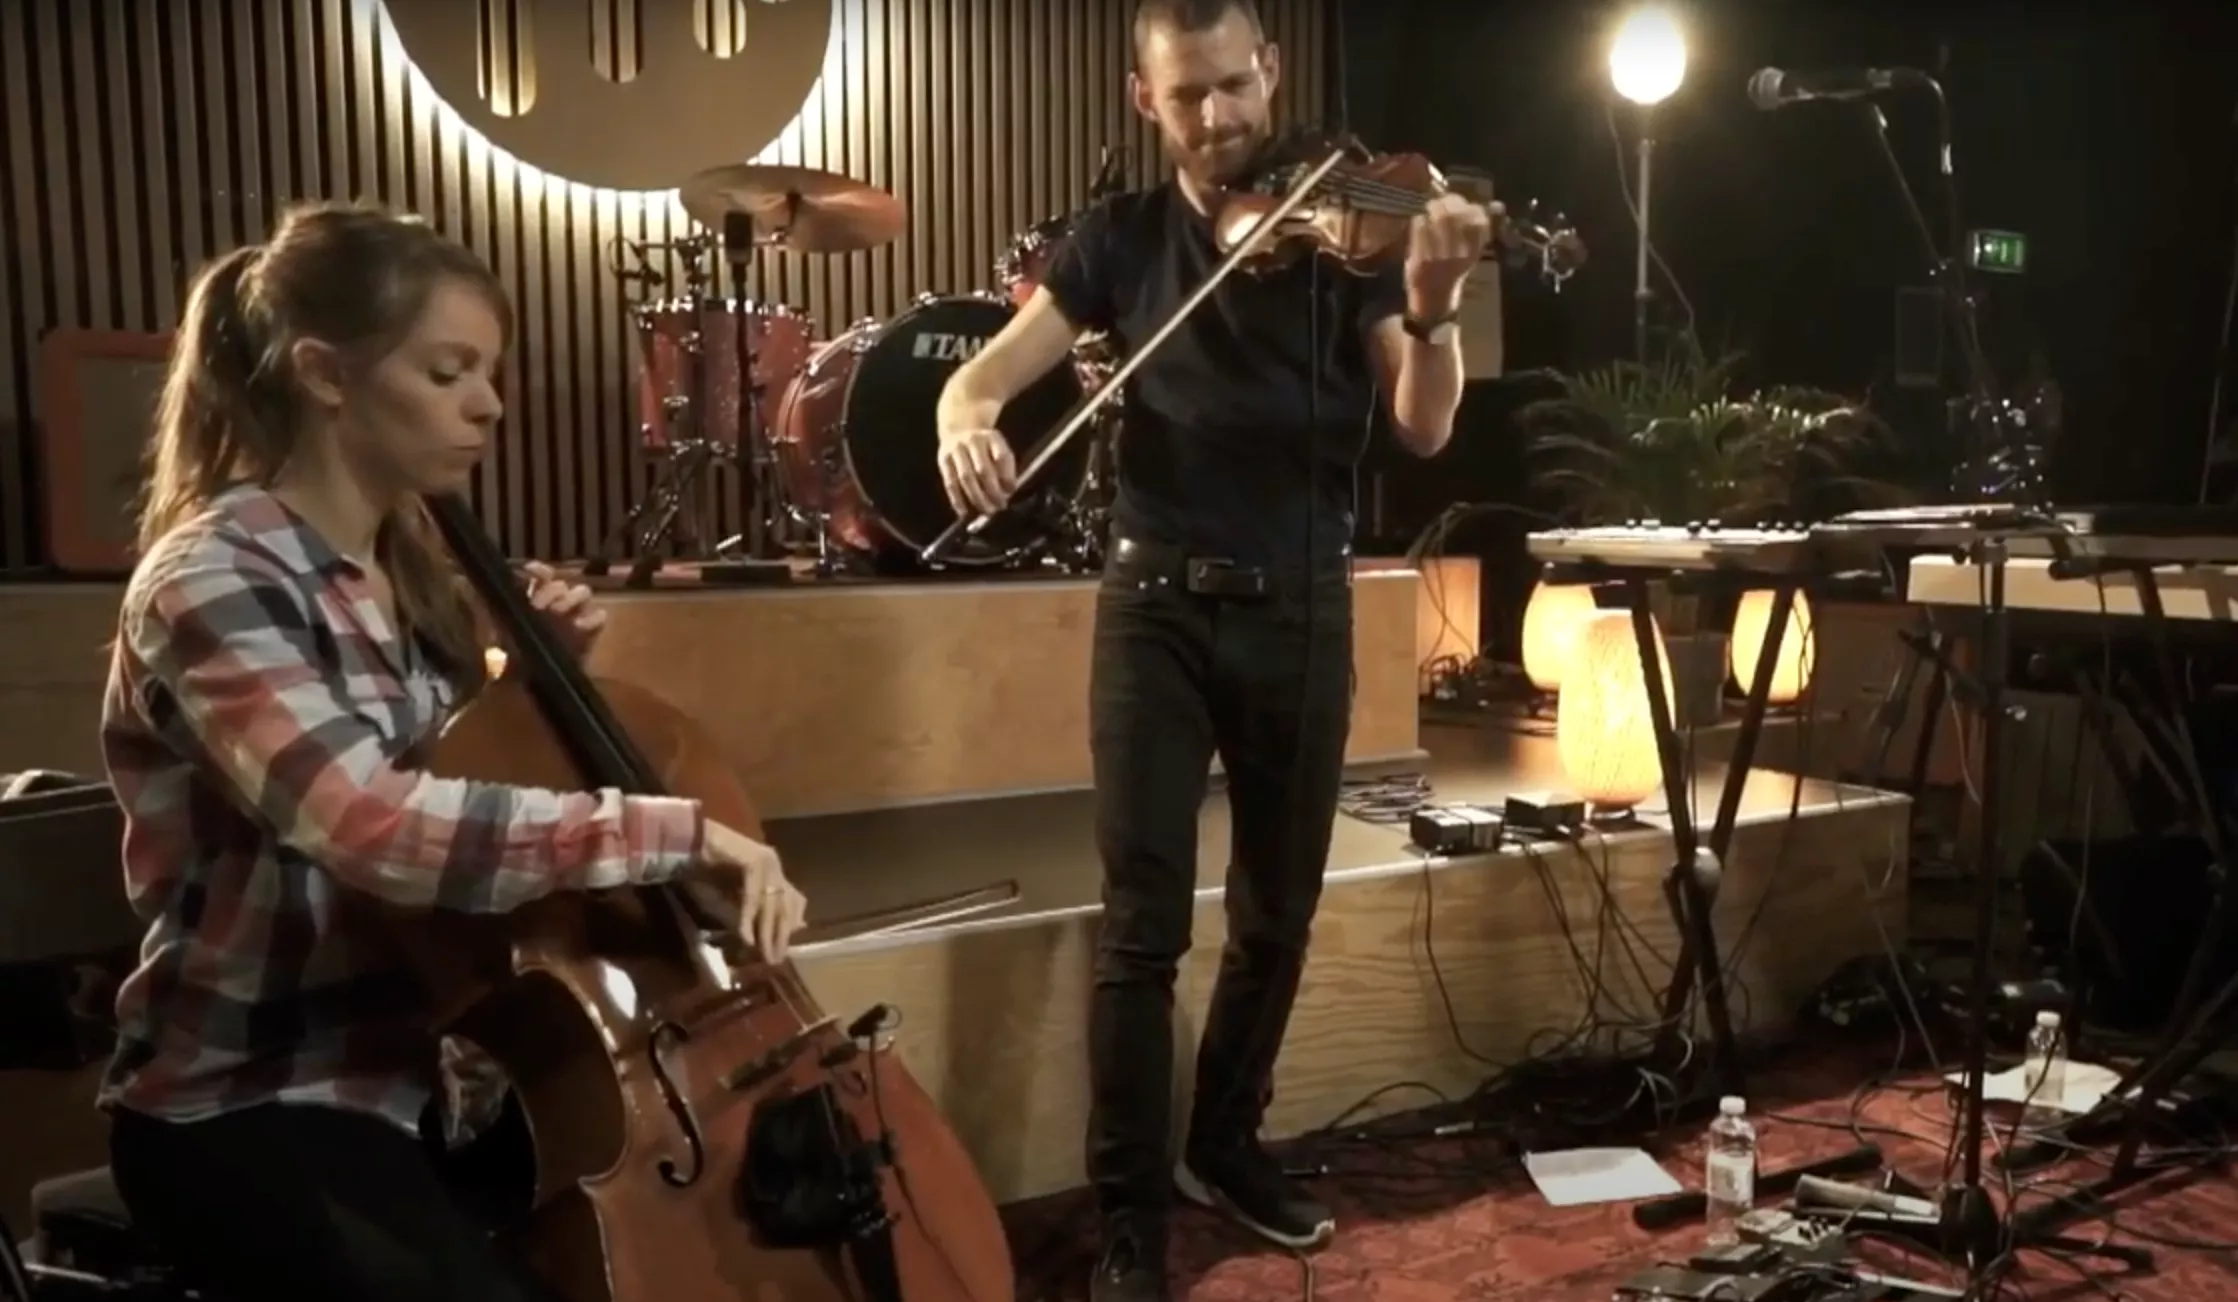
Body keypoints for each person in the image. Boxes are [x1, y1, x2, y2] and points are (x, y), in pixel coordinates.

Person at [96, 200, 810, 1301]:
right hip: (260, 1099)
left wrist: (525, 693)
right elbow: (372, 827)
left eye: (488, 371)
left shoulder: (417, 578)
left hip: (446, 1080)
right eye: (448, 372)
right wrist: (667, 836)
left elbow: (460, 796)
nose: (490, 403)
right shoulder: (215, 581)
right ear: (325, 374)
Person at [933, 1, 1491, 1295]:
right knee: (1142, 927)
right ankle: (1131, 1212)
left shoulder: (1351, 234)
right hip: (1156, 606)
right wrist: (965, 417)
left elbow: (1421, 426)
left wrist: (1433, 304)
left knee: (1276, 914)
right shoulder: (1118, 240)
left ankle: (1225, 1144)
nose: (1218, 116)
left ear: (1270, 71)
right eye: (1187, 94)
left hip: (1301, 598)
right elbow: (983, 375)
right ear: (1146, 99)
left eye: (1235, 85)